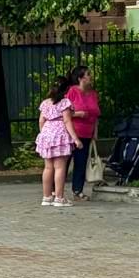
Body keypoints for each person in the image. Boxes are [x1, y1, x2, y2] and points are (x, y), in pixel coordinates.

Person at [36, 74, 82, 207]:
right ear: (66, 90)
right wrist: (76, 139)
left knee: (48, 167)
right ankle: (59, 198)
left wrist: (44, 133)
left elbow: (41, 120)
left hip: (46, 134)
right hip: (61, 136)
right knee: (60, 167)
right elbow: (67, 121)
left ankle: (46, 197)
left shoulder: (45, 103)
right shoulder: (65, 103)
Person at [67, 66, 101, 201]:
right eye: (88, 74)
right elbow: (64, 112)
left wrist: (95, 131)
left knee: (81, 163)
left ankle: (77, 191)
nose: (90, 76)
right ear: (80, 78)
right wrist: (78, 114)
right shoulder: (72, 91)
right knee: (64, 162)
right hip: (73, 132)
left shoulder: (93, 94)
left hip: (87, 133)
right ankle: (54, 190)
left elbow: (96, 114)